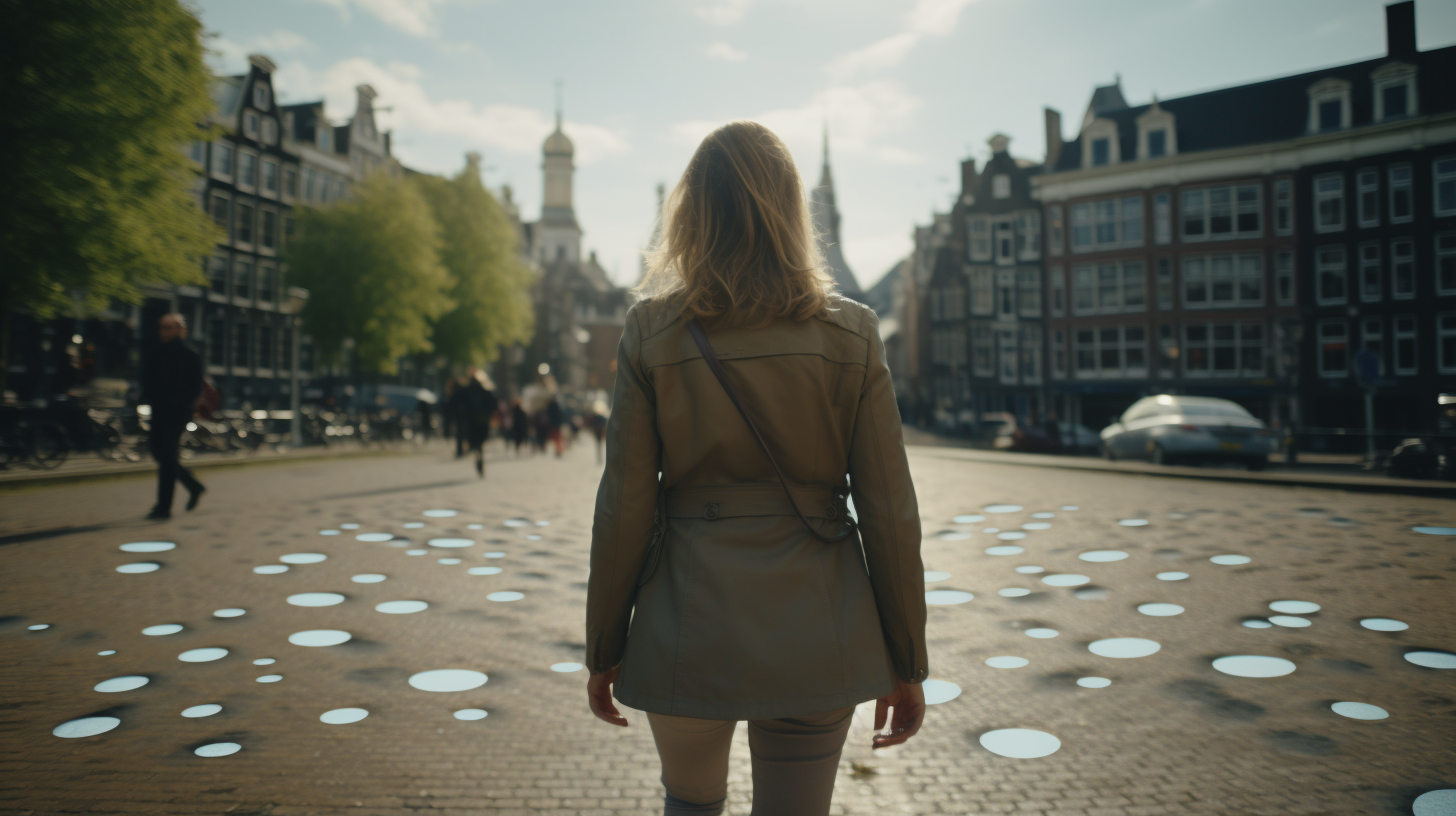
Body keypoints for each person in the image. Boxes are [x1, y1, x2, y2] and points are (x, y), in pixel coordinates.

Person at [584, 121, 926, 816]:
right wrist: (907, 659)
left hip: (687, 620)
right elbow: (890, 510)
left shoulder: (652, 330)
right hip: (818, 625)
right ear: (793, 211)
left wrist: (604, 646)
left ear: (692, 214)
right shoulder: (853, 332)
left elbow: (624, 506)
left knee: (690, 803)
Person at [140, 313, 205, 520]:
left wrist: (182, 404)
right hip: (158, 411)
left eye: (169, 328)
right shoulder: (156, 353)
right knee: (158, 453)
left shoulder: (190, 355)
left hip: (177, 413)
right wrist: (144, 398)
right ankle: (193, 486)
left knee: (168, 457)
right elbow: (148, 380)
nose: (164, 332)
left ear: (180, 330)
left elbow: (196, 386)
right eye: (162, 327)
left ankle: (163, 507)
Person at [459, 367, 498, 478]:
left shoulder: (466, 390)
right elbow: (493, 403)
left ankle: (477, 452)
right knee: (481, 441)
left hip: (471, 420)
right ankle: (479, 453)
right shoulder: (486, 390)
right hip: (484, 419)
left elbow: (460, 404)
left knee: (475, 440)